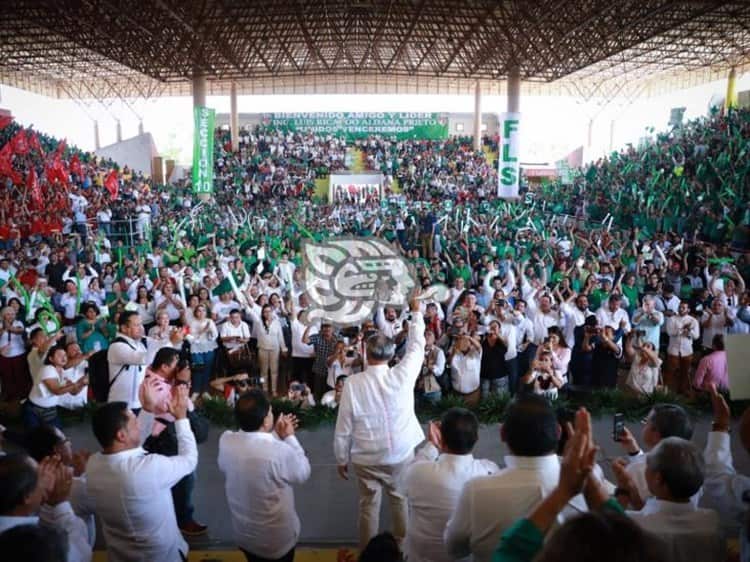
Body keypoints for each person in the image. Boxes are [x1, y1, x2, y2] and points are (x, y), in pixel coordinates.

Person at [491, 408, 669, 562]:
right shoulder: (639, 545)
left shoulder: (479, 488)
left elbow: (511, 550)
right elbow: (620, 532)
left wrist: (564, 490)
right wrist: (589, 477)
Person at [334, 291, 424, 549]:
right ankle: (402, 549)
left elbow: (344, 427)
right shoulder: (403, 374)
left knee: (368, 505)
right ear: (392, 354)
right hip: (399, 454)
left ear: (365, 351)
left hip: (366, 457)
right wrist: (416, 311)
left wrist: (342, 458)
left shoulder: (352, 383)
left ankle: (367, 552)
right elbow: (418, 347)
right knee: (399, 499)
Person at [444, 394, 580, 562]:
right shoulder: (586, 485)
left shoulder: (476, 491)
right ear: (559, 431)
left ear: (502, 434)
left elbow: (453, 549)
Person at [85, 385, 197, 562]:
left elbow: (135, 445)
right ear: (121, 435)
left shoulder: (93, 465)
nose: (139, 423)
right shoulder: (149, 468)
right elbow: (189, 460)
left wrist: (147, 410)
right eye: (134, 421)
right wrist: (181, 418)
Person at [218, 390, 311, 562]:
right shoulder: (280, 452)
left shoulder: (226, 441)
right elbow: (302, 472)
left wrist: (274, 434)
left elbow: (257, 446)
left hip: (244, 536)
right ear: (266, 420)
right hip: (276, 542)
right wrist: (289, 438)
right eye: (270, 412)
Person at [402, 409, 499, 562]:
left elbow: (404, 480)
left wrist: (432, 445)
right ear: (476, 438)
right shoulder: (489, 472)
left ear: (443, 438)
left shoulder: (418, 471)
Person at [613, 437, 725, 562]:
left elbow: (604, 527)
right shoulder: (712, 521)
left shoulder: (633, 524)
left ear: (658, 478)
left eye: (647, 466)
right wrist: (635, 497)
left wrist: (622, 490)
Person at [0, 453, 91, 562]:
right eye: (41, 476)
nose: (46, 481)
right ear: (27, 496)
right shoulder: (35, 544)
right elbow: (81, 555)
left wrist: (49, 505)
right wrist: (61, 505)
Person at [616, 403, 696, 507]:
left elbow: (623, 508)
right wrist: (634, 452)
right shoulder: (693, 466)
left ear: (656, 434)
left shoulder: (635, 470)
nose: (643, 425)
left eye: (646, 422)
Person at [25, 344, 87, 428]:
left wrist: (83, 382)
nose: (63, 357)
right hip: (34, 409)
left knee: (56, 436)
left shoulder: (62, 371)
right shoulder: (48, 369)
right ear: (51, 359)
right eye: (59, 355)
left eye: (64, 355)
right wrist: (79, 383)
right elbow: (57, 391)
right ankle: (4, 433)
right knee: (32, 438)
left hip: (50, 410)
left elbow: (73, 392)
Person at [106, 310, 149, 411]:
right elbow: (142, 358)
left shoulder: (140, 344)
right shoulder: (117, 346)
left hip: (138, 403)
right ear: (124, 328)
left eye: (141, 324)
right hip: (119, 405)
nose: (141, 328)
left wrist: (167, 340)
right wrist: (171, 341)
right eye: (137, 325)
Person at [665, 300, 700, 394]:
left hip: (687, 350)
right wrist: (681, 330)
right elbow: (669, 332)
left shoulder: (693, 321)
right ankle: (666, 391)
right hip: (673, 349)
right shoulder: (672, 319)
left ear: (688, 309)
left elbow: (696, 336)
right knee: (670, 371)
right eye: (680, 307)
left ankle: (682, 390)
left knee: (685, 372)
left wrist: (688, 332)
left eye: (683, 307)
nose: (681, 309)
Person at [0, 305, 30, 402]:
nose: (10, 316)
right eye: (8, 314)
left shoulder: (18, 322)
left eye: (12, 314)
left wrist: (7, 326)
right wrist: (4, 328)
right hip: (4, 355)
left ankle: (22, 395)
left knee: (20, 375)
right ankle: (10, 395)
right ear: (3, 315)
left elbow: (18, 331)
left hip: (19, 354)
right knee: (7, 376)